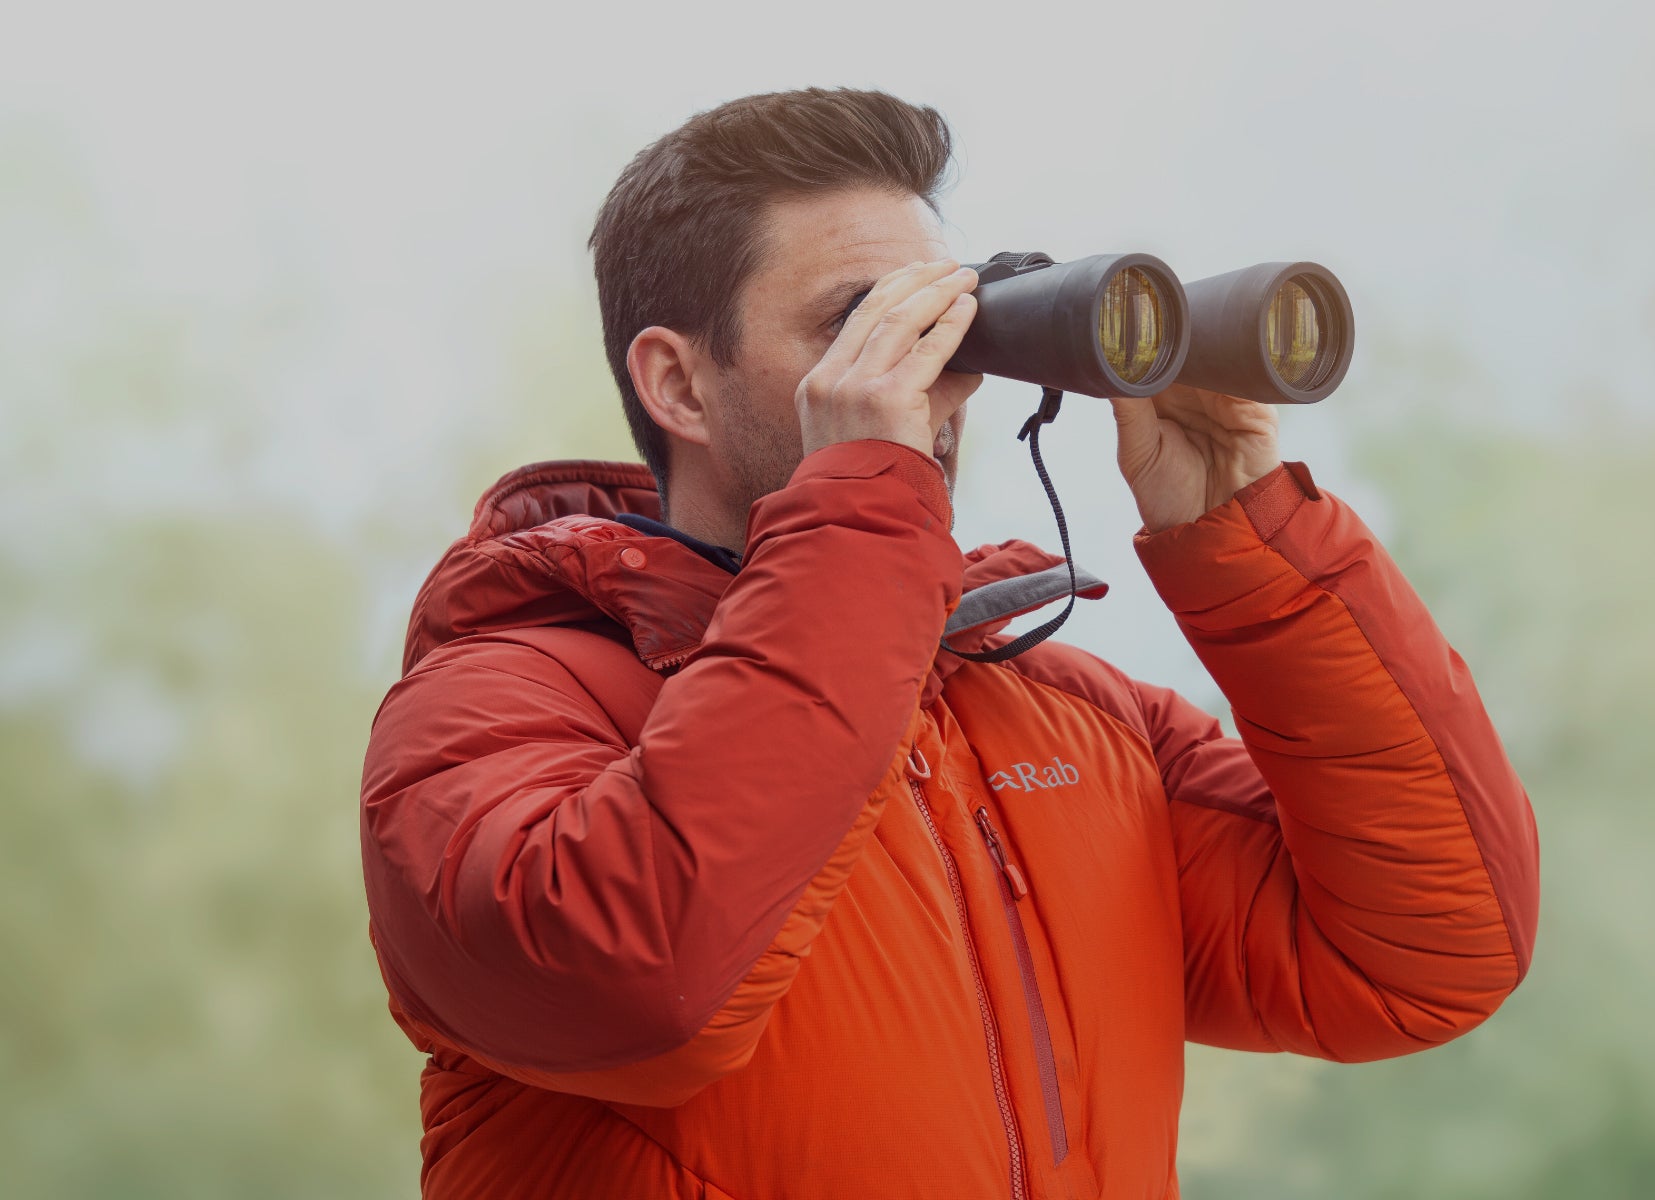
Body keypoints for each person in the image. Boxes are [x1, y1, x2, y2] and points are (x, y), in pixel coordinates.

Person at [356, 88, 1537, 1198]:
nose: (932, 377)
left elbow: (1428, 954)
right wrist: (862, 499)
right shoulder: (496, 703)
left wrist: (1248, 529)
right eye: (858, 325)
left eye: (944, 318)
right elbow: (644, 983)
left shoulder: (1073, 718)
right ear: (681, 386)